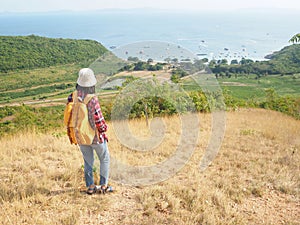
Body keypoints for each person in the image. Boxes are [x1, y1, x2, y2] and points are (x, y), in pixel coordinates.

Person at [67, 68, 110, 195]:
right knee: (105, 159)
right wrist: (104, 130)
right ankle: (103, 186)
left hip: (80, 135)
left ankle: (90, 186)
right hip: (95, 137)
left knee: (88, 161)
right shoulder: (92, 99)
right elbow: (99, 120)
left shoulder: (72, 96)